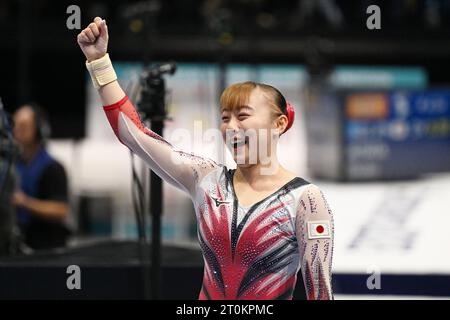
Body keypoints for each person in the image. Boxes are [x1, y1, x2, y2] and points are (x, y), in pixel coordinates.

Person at [77, 17, 334, 300]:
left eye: (243, 116)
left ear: (279, 124)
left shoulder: (305, 200)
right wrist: (99, 61)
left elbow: (320, 293)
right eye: (225, 118)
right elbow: (133, 135)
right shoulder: (207, 180)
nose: (231, 127)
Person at [12, 103, 70, 250]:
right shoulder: (13, 165)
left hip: (45, 247)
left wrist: (24, 202)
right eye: (15, 125)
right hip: (18, 244)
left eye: (23, 126)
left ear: (38, 130)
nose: (16, 130)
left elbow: (61, 210)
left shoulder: (53, 168)